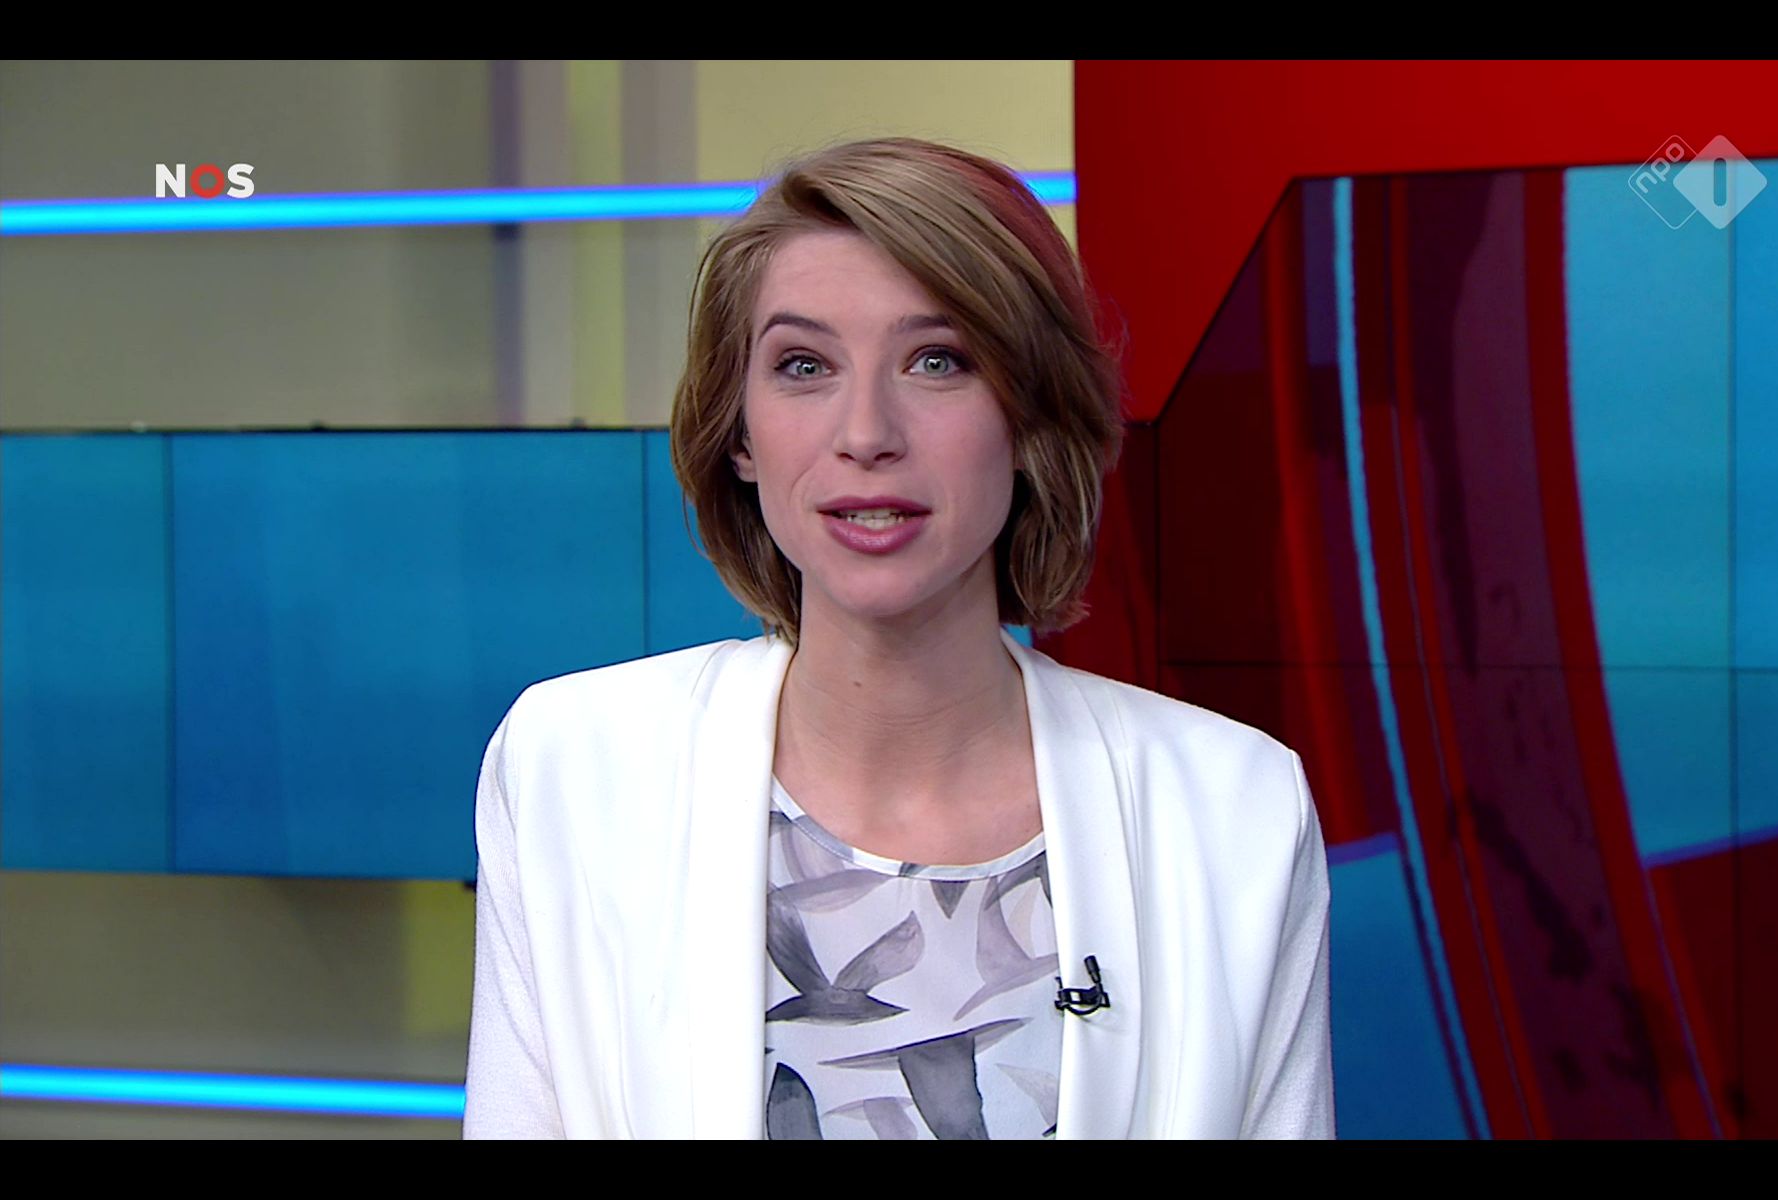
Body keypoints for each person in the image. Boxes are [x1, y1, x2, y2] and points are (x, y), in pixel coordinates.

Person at [461, 137, 1334, 1139]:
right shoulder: (572, 769)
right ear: (738, 434)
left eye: (937, 361)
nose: (866, 432)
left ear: (1030, 414)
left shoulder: (1233, 810)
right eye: (803, 366)